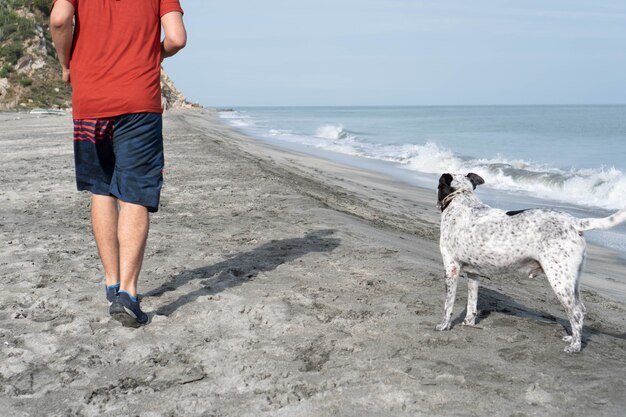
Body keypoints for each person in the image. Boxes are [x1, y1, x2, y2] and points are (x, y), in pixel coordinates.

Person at [50, 0, 187, 327]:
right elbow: (177, 38)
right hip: (139, 100)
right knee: (135, 194)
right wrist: (157, 52)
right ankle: (128, 293)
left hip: (91, 98)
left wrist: (66, 64)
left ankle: (112, 283)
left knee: (102, 190)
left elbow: (59, 19)